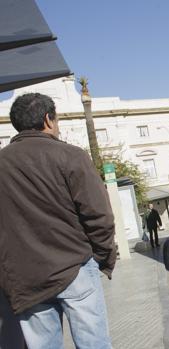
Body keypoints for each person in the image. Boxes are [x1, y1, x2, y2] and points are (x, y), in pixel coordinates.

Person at [0, 93, 116, 348]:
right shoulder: (71, 156)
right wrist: (104, 258)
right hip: (74, 268)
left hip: (26, 279)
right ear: (47, 120)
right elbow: (99, 215)